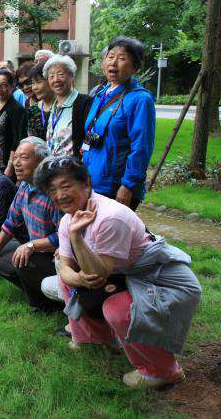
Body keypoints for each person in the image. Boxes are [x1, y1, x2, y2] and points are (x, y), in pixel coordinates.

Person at [37, 156, 201, 389]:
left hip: (160, 279)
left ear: (86, 183)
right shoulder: (67, 220)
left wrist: (76, 238)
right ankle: (96, 339)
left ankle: (163, 371)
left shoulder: (109, 217)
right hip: (124, 274)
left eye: (65, 186)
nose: (60, 195)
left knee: (117, 309)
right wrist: (78, 278)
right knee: (70, 282)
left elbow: (98, 275)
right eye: (53, 190)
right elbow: (65, 269)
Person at [0, 138, 62, 312]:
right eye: (15, 158)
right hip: (38, 250)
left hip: (58, 257)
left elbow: (65, 236)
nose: (17, 163)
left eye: (24, 158)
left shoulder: (54, 193)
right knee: (1, 260)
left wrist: (30, 246)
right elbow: (11, 222)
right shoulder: (24, 186)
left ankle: (48, 304)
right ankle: (41, 294)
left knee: (22, 262)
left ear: (41, 161)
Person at [82, 36, 155, 210]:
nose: (113, 62)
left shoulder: (140, 99)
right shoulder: (101, 94)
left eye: (121, 58)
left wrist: (128, 185)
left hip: (117, 186)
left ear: (134, 67)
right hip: (93, 181)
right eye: (110, 56)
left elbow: (141, 147)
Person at [44, 54, 91, 158]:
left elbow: (88, 137)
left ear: (72, 76)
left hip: (73, 166)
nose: (56, 80)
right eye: (51, 76)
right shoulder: (53, 108)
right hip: (53, 165)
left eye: (61, 74)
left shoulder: (85, 103)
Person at [0, 69, 27, 173]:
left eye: (4, 85)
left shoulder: (17, 109)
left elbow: (17, 140)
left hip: (5, 164)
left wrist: (10, 166)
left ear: (12, 86)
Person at [26, 63, 55, 141]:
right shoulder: (32, 110)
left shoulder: (62, 107)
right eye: (33, 83)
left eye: (38, 82)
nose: (34, 87)